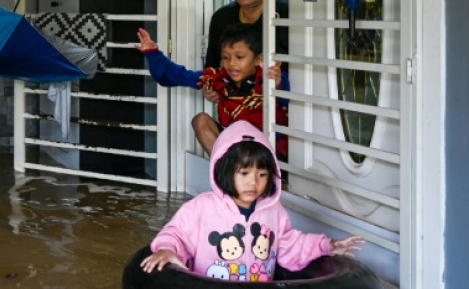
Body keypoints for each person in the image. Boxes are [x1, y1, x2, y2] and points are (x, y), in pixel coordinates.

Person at [136, 121, 364, 281]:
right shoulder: (202, 207)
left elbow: (288, 245)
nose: (253, 182)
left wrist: (327, 245)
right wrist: (166, 250)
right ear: (225, 170)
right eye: (244, 174)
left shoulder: (273, 212)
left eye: (262, 175)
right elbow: (176, 234)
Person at [136, 23, 289, 159]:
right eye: (226, 57)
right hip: (235, 148)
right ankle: (227, 174)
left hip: (266, 150)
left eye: (239, 57)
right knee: (200, 120)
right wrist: (153, 54)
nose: (232, 63)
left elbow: (290, 102)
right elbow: (178, 76)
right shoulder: (218, 77)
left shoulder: (270, 78)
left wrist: (278, 83)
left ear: (258, 59)